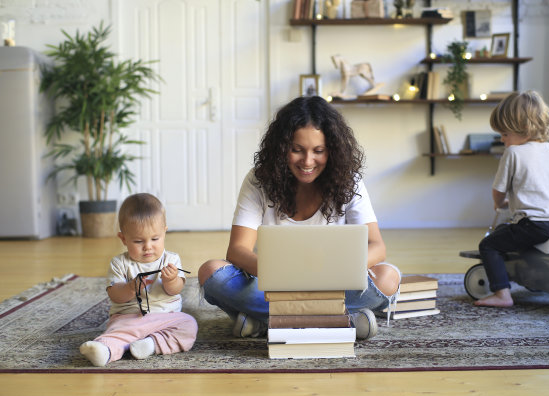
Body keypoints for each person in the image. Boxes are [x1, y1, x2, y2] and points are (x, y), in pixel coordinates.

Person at [198, 96, 401, 340]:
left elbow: (377, 247)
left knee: (388, 278)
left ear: (332, 150)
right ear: (282, 148)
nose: (307, 162)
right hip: (276, 288)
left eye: (318, 151)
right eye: (297, 150)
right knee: (211, 272)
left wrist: (334, 272)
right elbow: (238, 250)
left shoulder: (349, 181)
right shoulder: (258, 180)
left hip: (334, 285)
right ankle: (342, 319)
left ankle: (266, 321)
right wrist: (282, 274)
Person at [475, 90, 549, 308]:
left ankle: (502, 294)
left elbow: (499, 190)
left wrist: (498, 204)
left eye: (504, 134)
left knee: (489, 245)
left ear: (522, 128)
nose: (503, 140)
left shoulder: (513, 153)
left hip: (535, 224)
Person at [79, 193, 198, 366]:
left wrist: (171, 280)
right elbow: (115, 295)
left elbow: (176, 290)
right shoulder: (119, 263)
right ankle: (104, 350)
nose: (148, 246)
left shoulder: (171, 260)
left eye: (155, 239)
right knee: (118, 332)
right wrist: (130, 288)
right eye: (138, 241)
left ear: (164, 232)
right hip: (129, 318)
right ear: (123, 239)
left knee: (189, 324)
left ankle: (149, 345)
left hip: (165, 319)